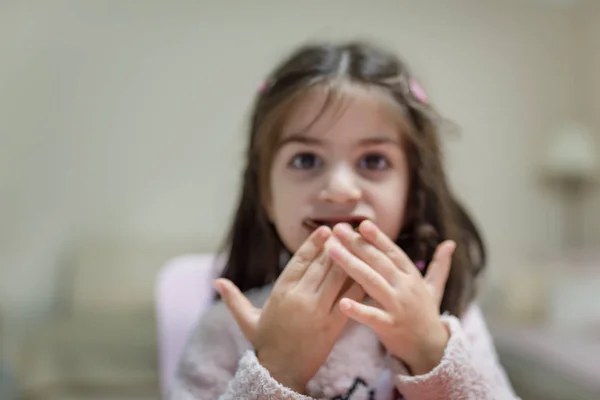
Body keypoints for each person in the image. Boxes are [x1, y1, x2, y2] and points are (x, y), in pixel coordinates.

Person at [170, 41, 518, 399]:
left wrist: (429, 352)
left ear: (413, 194)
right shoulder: (226, 329)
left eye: (373, 161)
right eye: (306, 159)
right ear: (266, 195)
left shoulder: (449, 321)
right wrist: (278, 368)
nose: (339, 190)